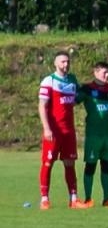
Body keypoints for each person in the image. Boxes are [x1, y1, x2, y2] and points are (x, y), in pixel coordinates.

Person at [37, 52, 86, 210]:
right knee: (48, 163)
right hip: (54, 131)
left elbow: (77, 98)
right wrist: (47, 128)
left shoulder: (72, 80)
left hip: (68, 131)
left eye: (68, 61)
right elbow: (42, 106)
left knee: (70, 164)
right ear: (55, 63)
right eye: (63, 61)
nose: (66, 64)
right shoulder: (49, 81)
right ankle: (44, 199)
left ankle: (73, 199)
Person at [80, 61, 108, 207]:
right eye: (104, 72)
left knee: (107, 167)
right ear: (95, 73)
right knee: (90, 167)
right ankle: (88, 198)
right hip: (93, 136)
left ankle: (107, 199)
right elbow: (73, 101)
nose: (107, 75)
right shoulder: (86, 89)